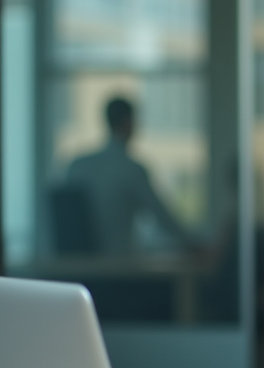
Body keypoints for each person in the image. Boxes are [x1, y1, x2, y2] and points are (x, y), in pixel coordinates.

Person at [65, 97, 189, 254]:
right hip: (119, 267)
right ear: (129, 122)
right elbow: (161, 216)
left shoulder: (77, 165)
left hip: (75, 265)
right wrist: (191, 243)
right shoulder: (132, 169)